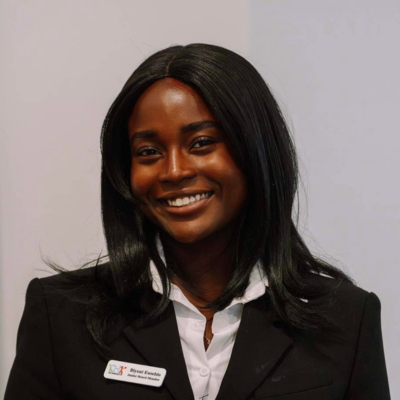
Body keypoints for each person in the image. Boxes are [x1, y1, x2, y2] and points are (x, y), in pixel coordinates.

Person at [5, 43, 390, 400]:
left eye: (201, 143)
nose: (174, 171)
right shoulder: (61, 314)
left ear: (256, 150)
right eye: (148, 151)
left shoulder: (346, 319)